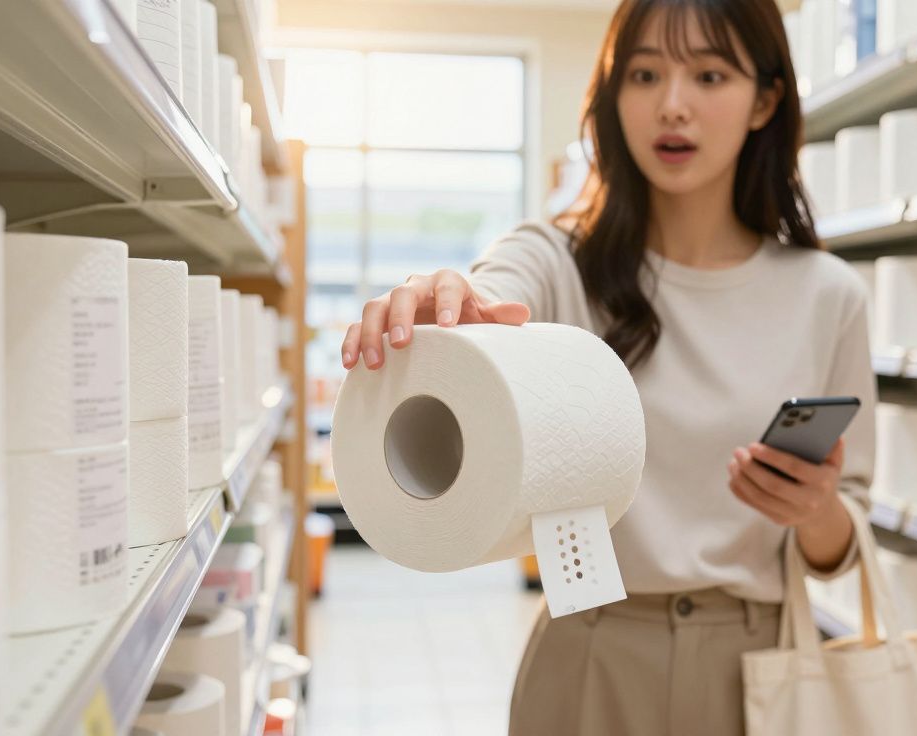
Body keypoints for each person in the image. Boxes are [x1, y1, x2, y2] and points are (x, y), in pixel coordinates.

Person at [340, 0, 876, 733]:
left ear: (765, 100)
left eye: (709, 76)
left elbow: (841, 549)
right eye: (645, 75)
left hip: (759, 673)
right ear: (613, 94)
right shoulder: (556, 259)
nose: (672, 105)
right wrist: (449, 303)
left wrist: (815, 509)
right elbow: (495, 294)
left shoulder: (828, 296)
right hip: (588, 656)